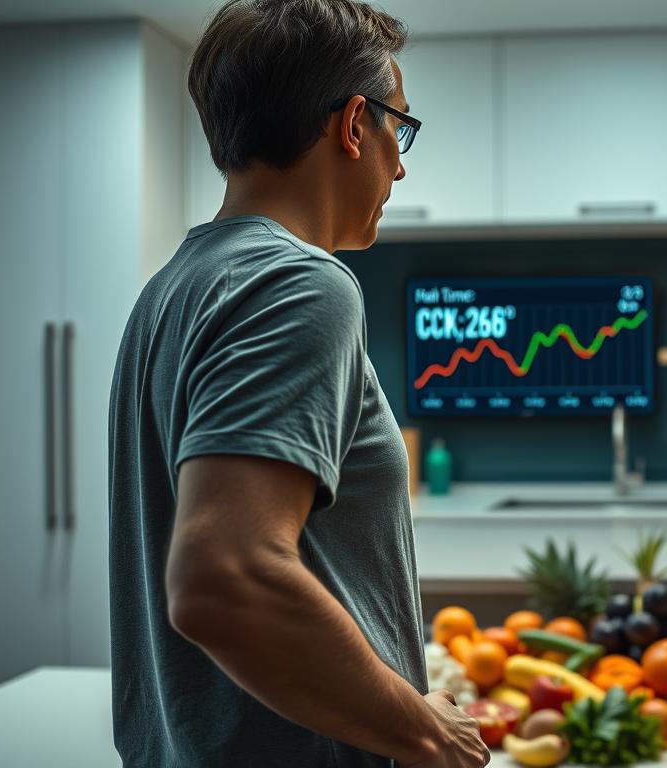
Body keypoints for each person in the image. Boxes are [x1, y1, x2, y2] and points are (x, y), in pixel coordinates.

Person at [107, 1, 488, 765]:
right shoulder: (300, 284)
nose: (402, 165)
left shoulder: (173, 289)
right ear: (354, 125)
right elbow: (226, 575)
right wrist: (422, 731)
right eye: (399, 129)